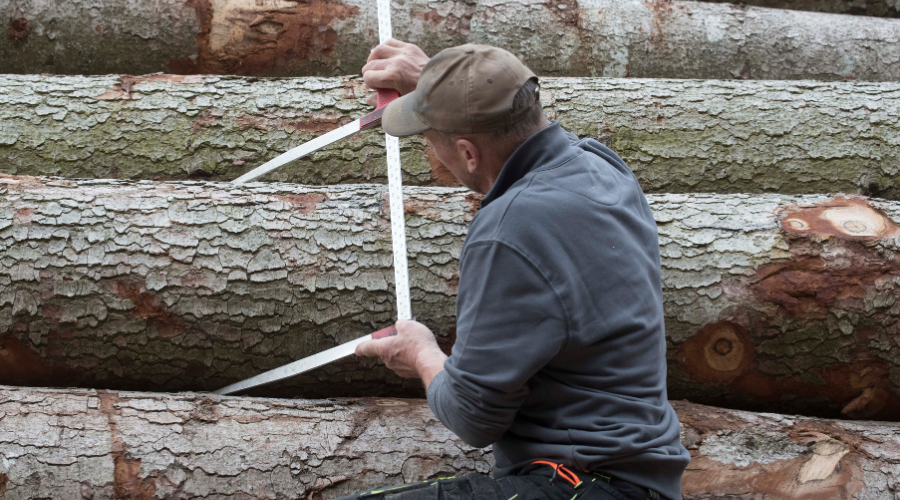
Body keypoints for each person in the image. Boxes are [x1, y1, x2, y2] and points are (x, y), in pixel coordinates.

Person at [344, 40, 690, 500]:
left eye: (431, 138)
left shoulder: (508, 231)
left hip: (581, 485)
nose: (433, 152)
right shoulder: (601, 164)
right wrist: (445, 84)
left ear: (468, 153)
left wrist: (421, 353)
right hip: (636, 481)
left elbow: (472, 416)